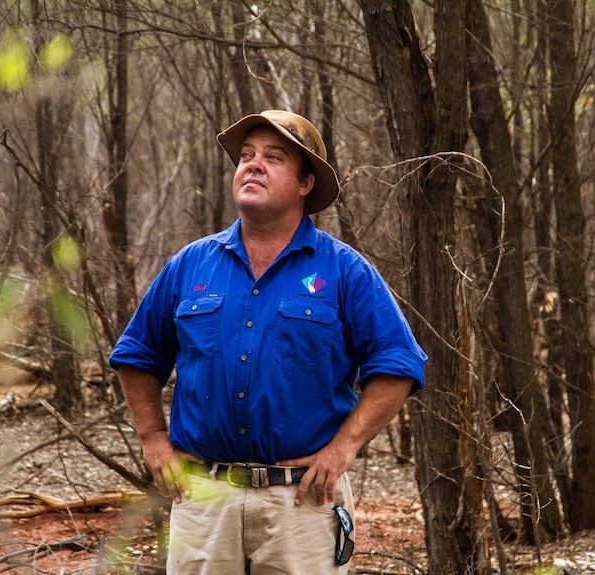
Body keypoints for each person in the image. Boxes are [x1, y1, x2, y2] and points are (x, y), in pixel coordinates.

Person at [109, 110, 427, 574]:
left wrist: (343, 447)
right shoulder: (191, 265)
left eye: (273, 158)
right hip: (204, 498)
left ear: (304, 184)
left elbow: (399, 364)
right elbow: (138, 354)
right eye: (246, 155)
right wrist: (153, 437)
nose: (252, 165)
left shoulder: (344, 270)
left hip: (301, 504)